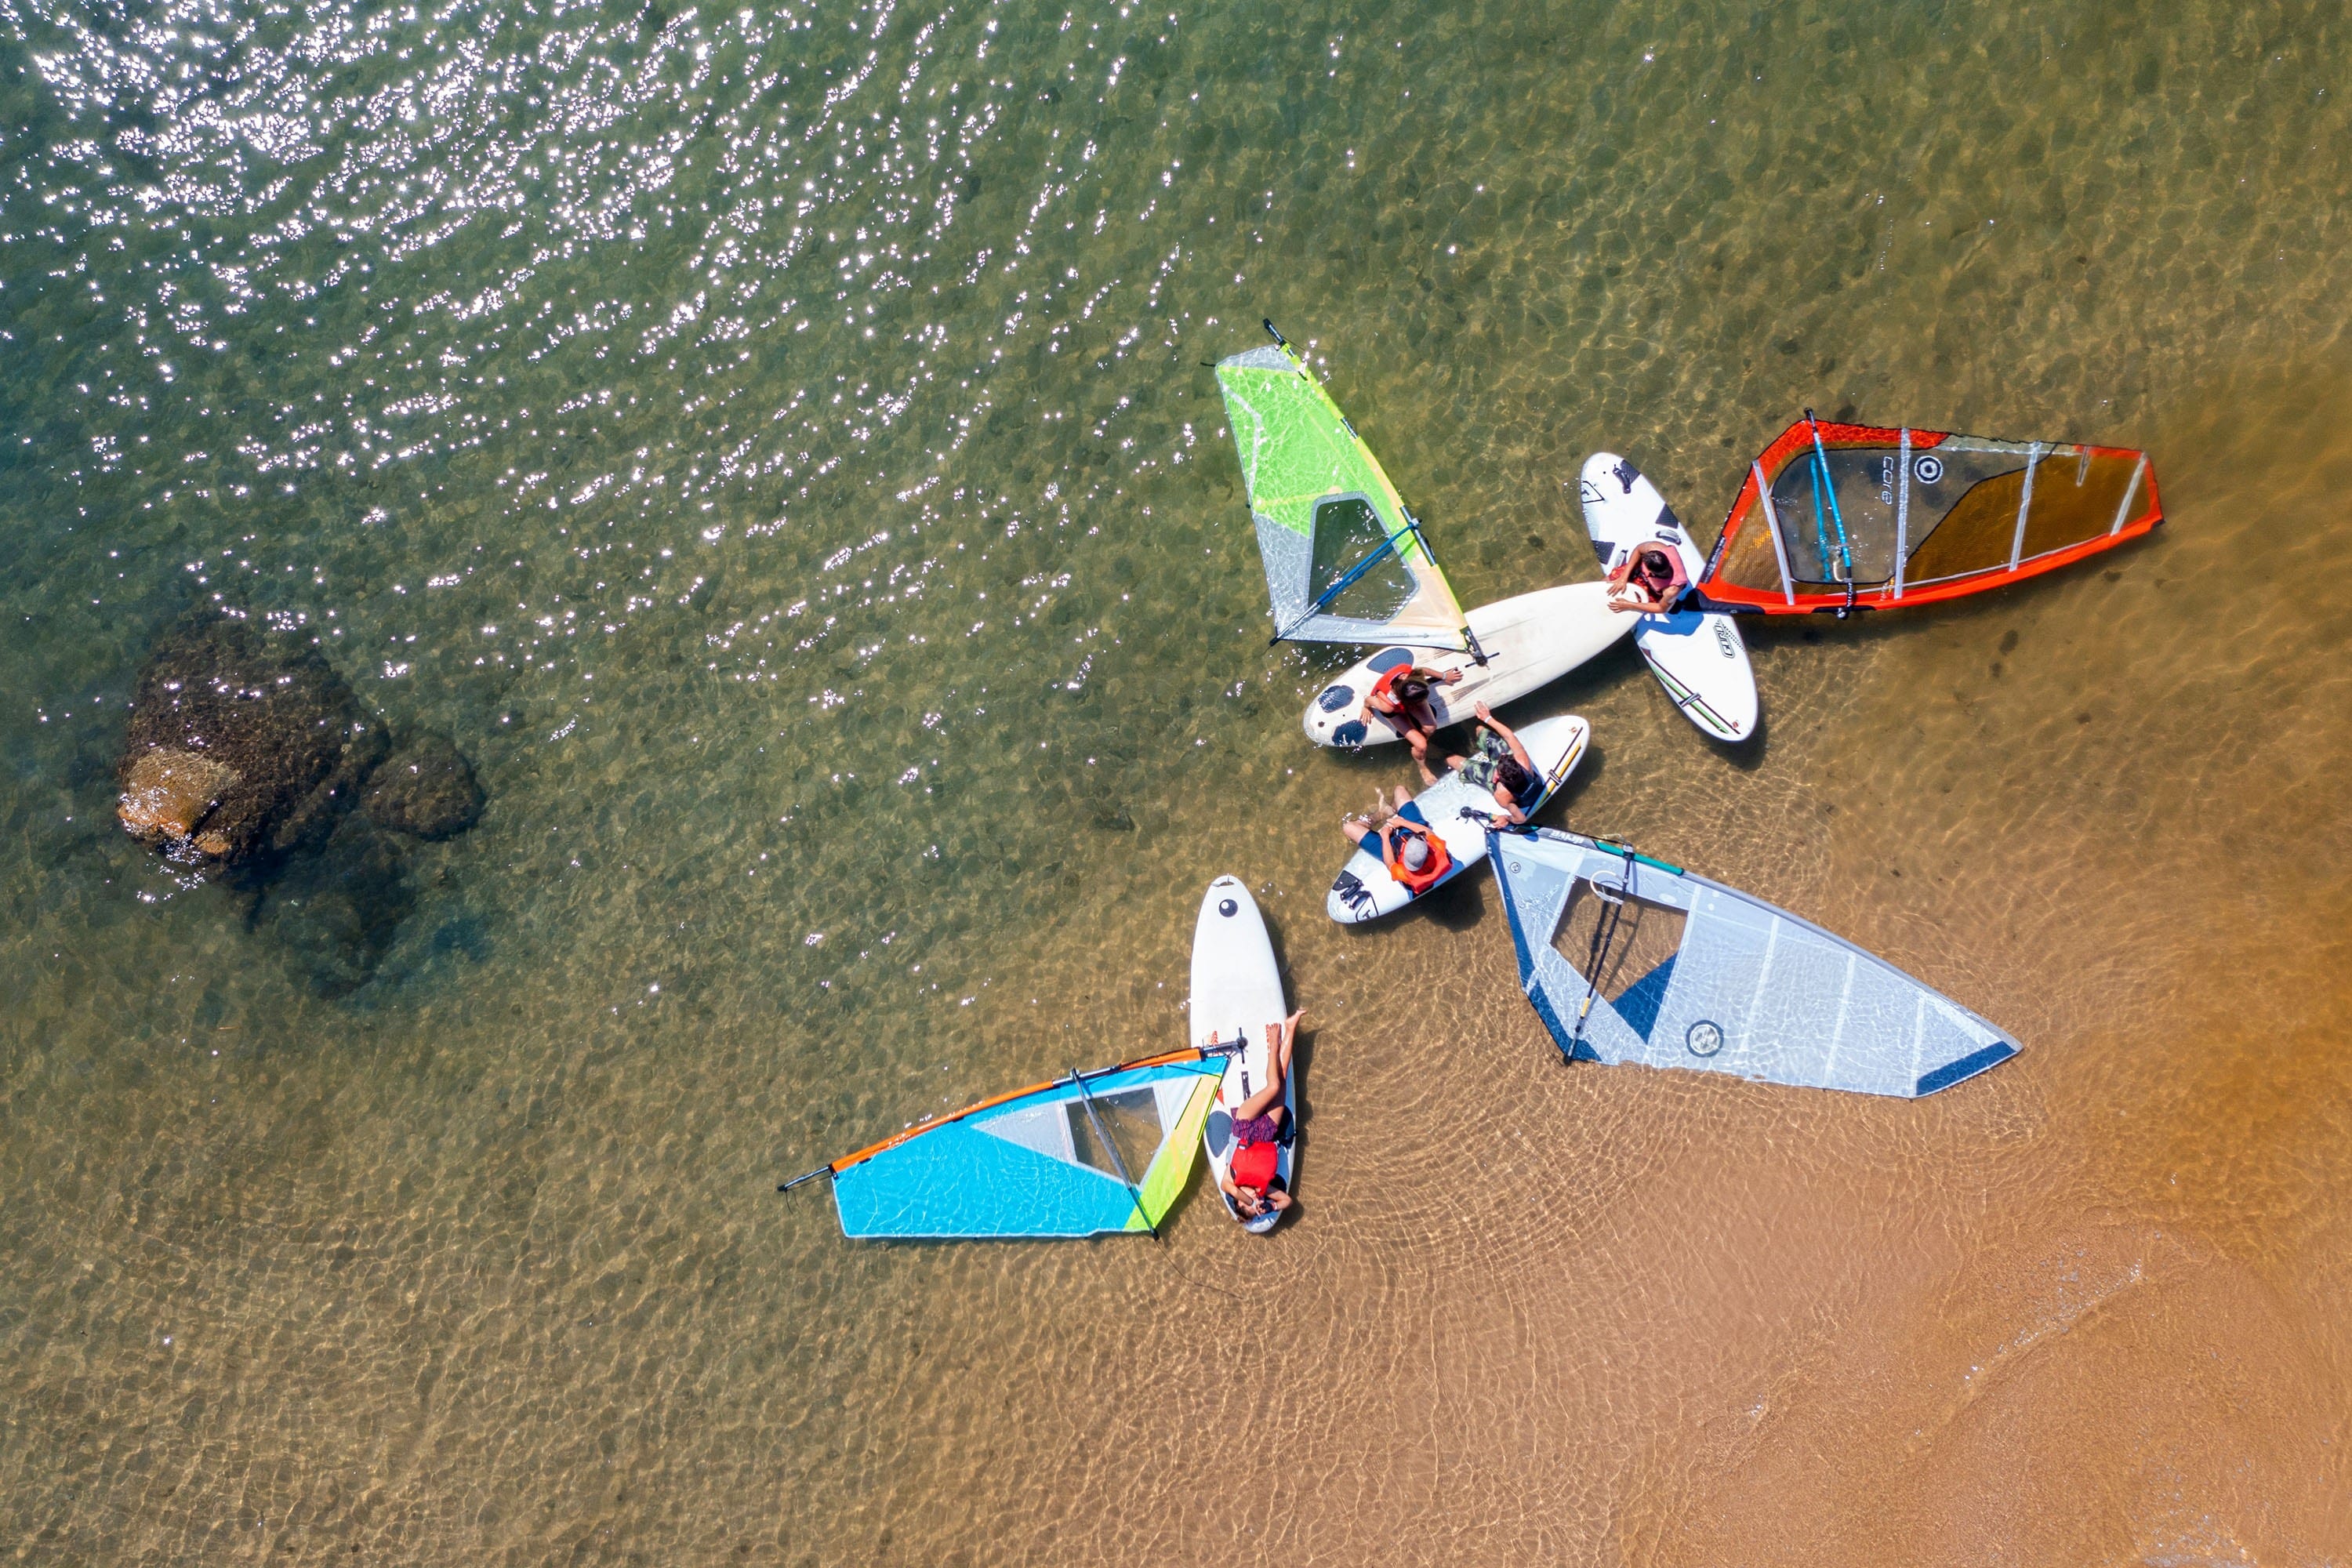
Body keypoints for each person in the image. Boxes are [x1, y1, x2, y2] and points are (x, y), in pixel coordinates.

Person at [1218, 1011, 1301, 1224]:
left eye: (1248, 1204)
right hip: (1268, 1131)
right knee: (1282, 1078)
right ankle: (1291, 1027)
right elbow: (1287, 1200)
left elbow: (1226, 1188)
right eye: (1255, 1206)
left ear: (1238, 1201)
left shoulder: (1232, 1181)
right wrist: (1269, 1205)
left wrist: (1248, 1199)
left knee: (1273, 1087)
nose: (1254, 1201)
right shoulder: (1263, 1188)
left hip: (1245, 1125)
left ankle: (1273, 1044)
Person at [1425, 702, 1541, 826]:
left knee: (1454, 761)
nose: (1502, 755)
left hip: (1506, 785)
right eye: (1505, 757)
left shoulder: (1502, 795)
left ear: (1496, 778)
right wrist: (1488, 718)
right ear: (1516, 763)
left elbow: (1521, 819)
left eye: (1501, 760)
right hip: (1511, 775)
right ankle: (1475, 735)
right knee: (1482, 731)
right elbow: (1509, 736)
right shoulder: (1523, 762)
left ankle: (1433, 752)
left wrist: (1507, 818)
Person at [1341, 786, 1453, 894]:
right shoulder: (1439, 850)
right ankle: (1386, 811)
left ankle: (1379, 815)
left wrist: (1385, 836)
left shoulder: (1404, 874)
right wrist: (1401, 822)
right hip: (1410, 833)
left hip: (1394, 851)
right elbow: (1427, 832)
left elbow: (1390, 862)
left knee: (1348, 827)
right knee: (1400, 790)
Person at [1364, 659, 1464, 752]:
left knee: (1430, 728)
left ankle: (1425, 736)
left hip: (1407, 695)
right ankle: (1422, 765)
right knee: (1421, 746)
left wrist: (1444, 676)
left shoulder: (1410, 674)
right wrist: (1366, 707)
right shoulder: (1387, 705)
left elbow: (1423, 671)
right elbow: (1369, 699)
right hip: (1394, 709)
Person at [1606, 542, 1689, 615]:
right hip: (1638, 572)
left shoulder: (1671, 590)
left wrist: (1630, 605)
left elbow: (1662, 608)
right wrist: (1624, 577)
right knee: (1612, 581)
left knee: (1626, 600)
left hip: (1653, 591)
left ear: (1650, 572)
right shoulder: (1656, 547)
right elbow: (1638, 550)